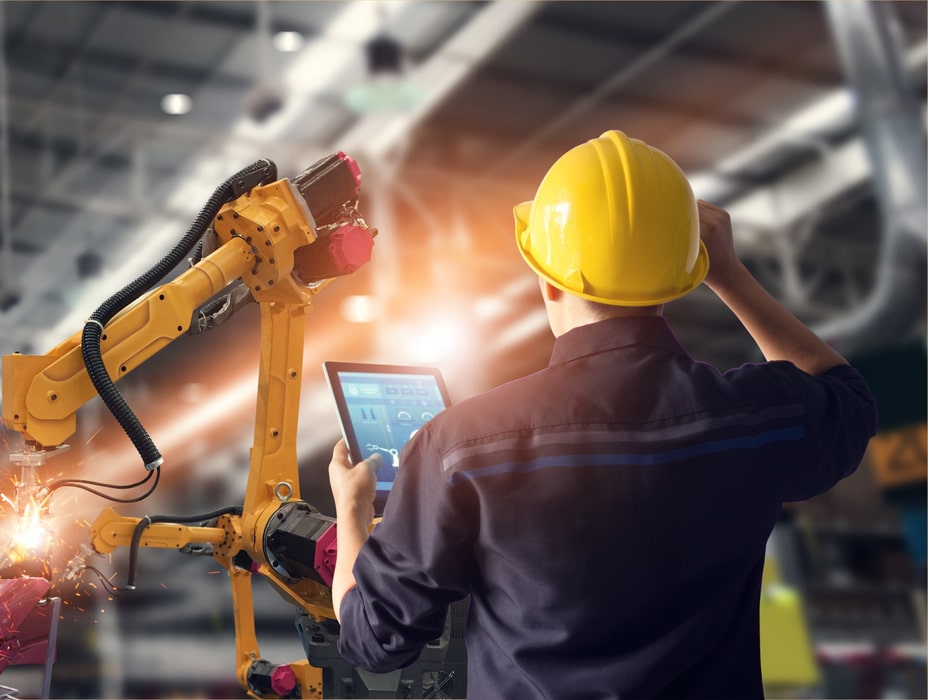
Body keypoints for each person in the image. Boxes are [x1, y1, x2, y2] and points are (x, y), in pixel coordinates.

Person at [328, 130, 878, 698]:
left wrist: (353, 509)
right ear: (685, 272)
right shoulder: (752, 417)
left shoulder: (461, 446)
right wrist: (731, 275)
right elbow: (847, 398)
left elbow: (375, 641)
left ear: (548, 280)